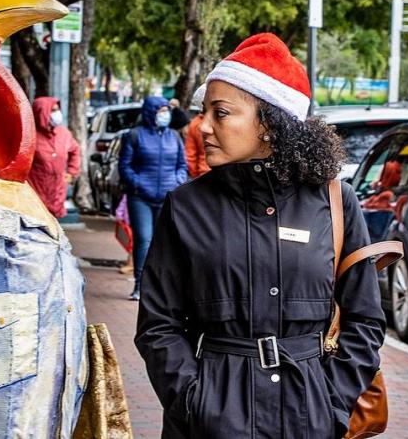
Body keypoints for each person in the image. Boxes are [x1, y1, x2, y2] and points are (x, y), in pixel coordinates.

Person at [135, 33, 384, 438]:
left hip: (309, 414)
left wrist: (332, 404)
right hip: (210, 419)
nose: (204, 127)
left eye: (221, 113)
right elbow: (158, 325)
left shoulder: (336, 202)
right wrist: (196, 402)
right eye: (204, 113)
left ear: (269, 123)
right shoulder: (185, 207)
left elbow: (365, 319)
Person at [119, 95, 188, 300]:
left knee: (163, 242)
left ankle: (159, 288)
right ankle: (140, 286)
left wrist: (176, 182)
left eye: (167, 111)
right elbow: (125, 167)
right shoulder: (134, 135)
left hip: (167, 196)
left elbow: (181, 165)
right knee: (143, 240)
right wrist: (139, 184)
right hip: (140, 198)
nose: (165, 115)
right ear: (150, 112)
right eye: (161, 111)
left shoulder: (174, 137)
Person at [29, 97, 80, 219]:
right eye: (53, 110)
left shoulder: (64, 134)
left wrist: (72, 172)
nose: (57, 114)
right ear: (42, 112)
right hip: (35, 192)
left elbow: (75, 150)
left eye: (57, 110)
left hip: (57, 192)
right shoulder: (30, 135)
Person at [184, 111, 209, 178]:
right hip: (228, 175)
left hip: (204, 173)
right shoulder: (228, 119)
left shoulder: (196, 123)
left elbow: (190, 155)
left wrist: (195, 177)